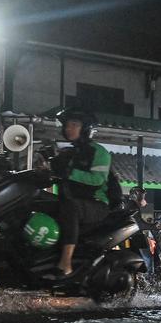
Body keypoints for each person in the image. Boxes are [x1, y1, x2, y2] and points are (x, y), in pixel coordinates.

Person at [48, 108, 112, 279]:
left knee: (70, 207)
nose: (69, 128)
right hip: (69, 199)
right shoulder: (68, 152)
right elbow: (54, 174)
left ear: (85, 128)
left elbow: (97, 179)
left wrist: (69, 173)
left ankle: (65, 264)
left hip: (96, 203)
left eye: (74, 125)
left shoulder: (99, 152)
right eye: (67, 125)